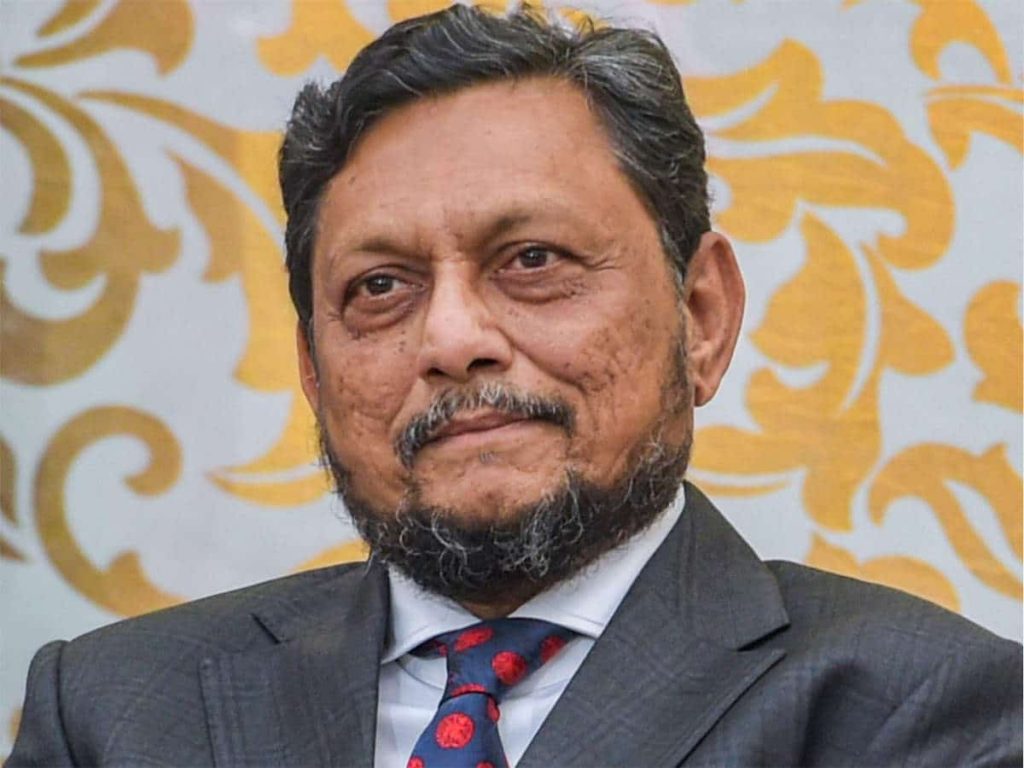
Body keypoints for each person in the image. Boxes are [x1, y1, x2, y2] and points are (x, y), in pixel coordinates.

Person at [9, 5, 1021, 767]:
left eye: (532, 260)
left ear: (702, 315)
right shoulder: (111, 713)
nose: (452, 340)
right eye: (380, 287)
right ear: (314, 370)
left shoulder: (921, 710)